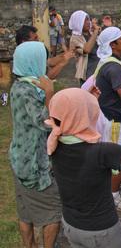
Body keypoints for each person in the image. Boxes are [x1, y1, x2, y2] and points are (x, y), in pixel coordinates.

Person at [48, 88, 121, 247]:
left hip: (71, 225)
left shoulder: (54, 143)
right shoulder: (101, 152)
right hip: (102, 231)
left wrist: (86, 101)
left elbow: (69, 118)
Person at [9, 41, 61, 248]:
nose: (45, 63)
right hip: (33, 164)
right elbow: (47, 122)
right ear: (33, 61)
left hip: (20, 158)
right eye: (42, 58)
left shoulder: (22, 85)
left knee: (26, 213)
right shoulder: (27, 91)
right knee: (53, 212)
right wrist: (49, 93)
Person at [94, 27, 121, 211]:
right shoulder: (115, 68)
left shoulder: (107, 62)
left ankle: (113, 185)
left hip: (108, 115)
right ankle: (113, 195)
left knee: (115, 156)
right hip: (116, 119)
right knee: (120, 159)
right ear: (113, 45)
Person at [68, 10, 101, 84]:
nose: (88, 22)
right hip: (87, 73)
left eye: (88, 19)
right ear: (78, 22)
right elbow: (86, 50)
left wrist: (97, 32)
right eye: (85, 20)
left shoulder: (90, 33)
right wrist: (95, 32)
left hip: (99, 69)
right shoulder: (74, 39)